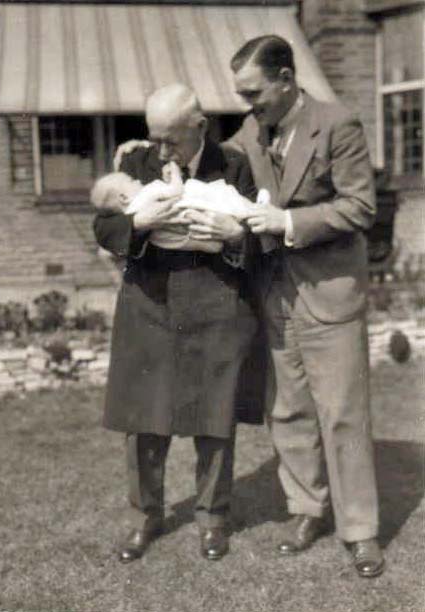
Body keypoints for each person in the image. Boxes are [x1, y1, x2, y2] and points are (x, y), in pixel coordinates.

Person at [227, 35, 384, 578]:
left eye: (254, 92)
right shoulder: (251, 131)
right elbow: (216, 169)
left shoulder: (338, 123)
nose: (248, 105)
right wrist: (153, 155)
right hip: (275, 295)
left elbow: (360, 206)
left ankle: (360, 531)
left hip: (329, 294)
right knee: (288, 411)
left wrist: (289, 224)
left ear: (287, 77)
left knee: (343, 415)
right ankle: (306, 511)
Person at [93, 83, 259, 563]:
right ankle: (146, 516)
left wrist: (233, 236)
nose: (161, 150)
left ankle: (212, 519)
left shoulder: (233, 165)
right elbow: (103, 225)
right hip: (151, 302)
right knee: (145, 417)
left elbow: (256, 235)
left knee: (215, 415)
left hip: (215, 303)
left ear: (201, 127)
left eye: (172, 140)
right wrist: (139, 226)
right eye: (154, 138)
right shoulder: (135, 163)